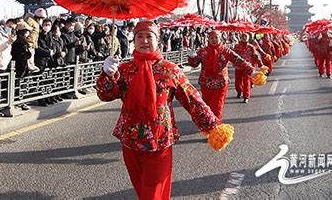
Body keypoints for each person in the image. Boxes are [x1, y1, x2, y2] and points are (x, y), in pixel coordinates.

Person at [97, 21, 232, 199]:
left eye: (149, 36)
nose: (144, 40)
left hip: (159, 139)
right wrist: (107, 75)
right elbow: (107, 95)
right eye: (140, 36)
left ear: (157, 40)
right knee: (141, 187)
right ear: (134, 41)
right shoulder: (125, 69)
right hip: (130, 138)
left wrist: (213, 125)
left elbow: (192, 99)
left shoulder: (170, 70)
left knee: (152, 192)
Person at [188, 31, 254, 120]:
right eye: (211, 38)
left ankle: (216, 126)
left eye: (216, 37)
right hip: (206, 82)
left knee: (217, 105)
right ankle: (208, 122)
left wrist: (251, 70)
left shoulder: (226, 51)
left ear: (220, 38)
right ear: (208, 39)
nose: (214, 40)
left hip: (221, 83)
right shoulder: (202, 51)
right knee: (207, 105)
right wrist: (191, 57)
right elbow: (194, 64)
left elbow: (239, 60)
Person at [233, 33, 264, 103]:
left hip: (248, 67)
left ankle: (246, 96)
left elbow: (256, 56)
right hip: (238, 67)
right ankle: (239, 90)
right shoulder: (237, 46)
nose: (244, 38)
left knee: (246, 81)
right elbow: (232, 55)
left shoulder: (251, 47)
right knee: (237, 81)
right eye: (242, 37)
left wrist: (261, 64)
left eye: (245, 37)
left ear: (248, 38)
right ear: (240, 38)